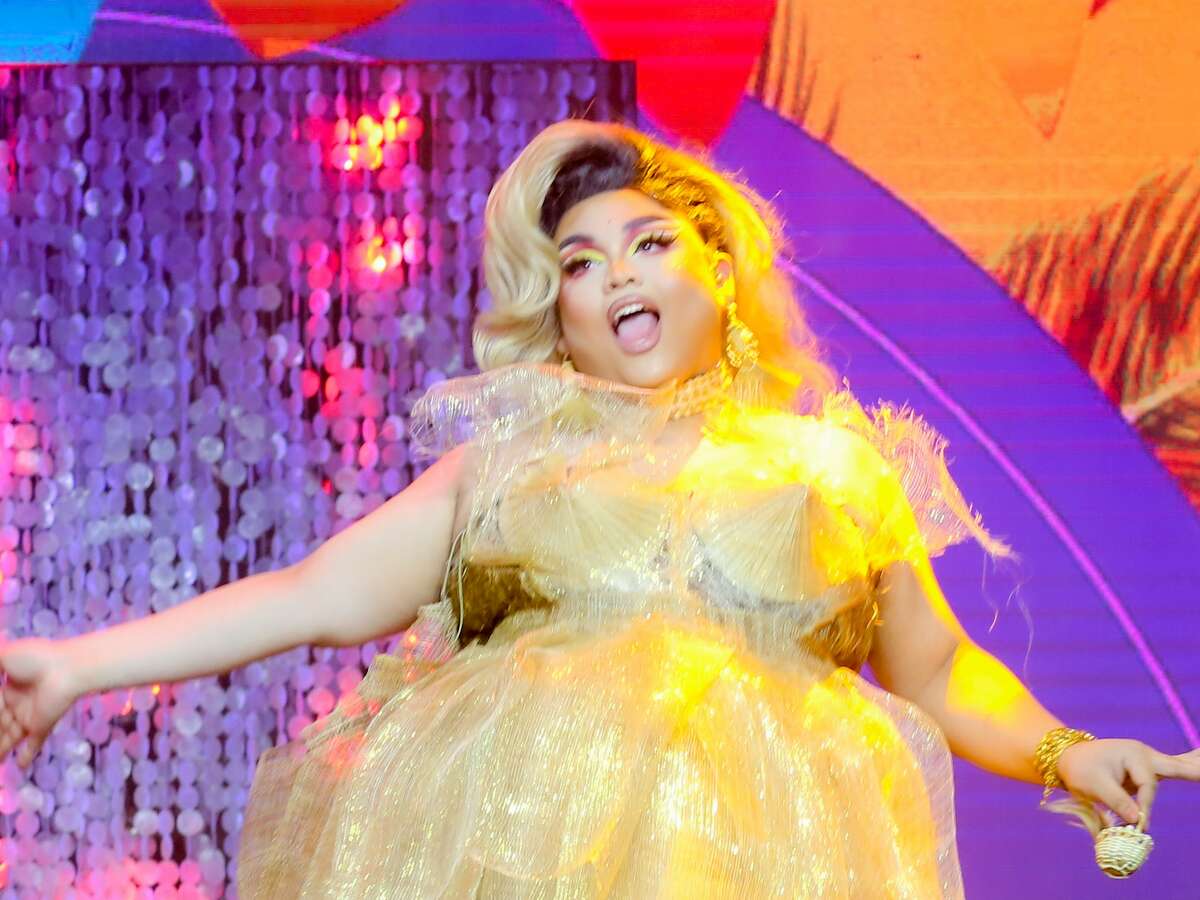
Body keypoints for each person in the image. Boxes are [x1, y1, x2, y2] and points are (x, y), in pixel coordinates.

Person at [1, 119, 1197, 897]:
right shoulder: (509, 472)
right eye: (579, 261)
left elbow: (938, 677)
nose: (615, 271)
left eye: (647, 241)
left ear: (717, 270)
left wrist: (1066, 749)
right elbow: (313, 596)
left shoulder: (830, 468)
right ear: (559, 311)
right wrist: (71, 666)